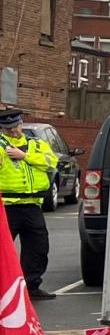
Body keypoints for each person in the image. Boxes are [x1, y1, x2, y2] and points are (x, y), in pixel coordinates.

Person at [0, 108, 59, 297]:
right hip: (8, 205)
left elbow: (51, 162)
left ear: (21, 123)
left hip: (33, 204)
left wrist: (24, 156)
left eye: (15, 127)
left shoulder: (37, 144)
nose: (13, 132)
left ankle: (31, 286)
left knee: (38, 247)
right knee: (3, 249)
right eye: (8, 129)